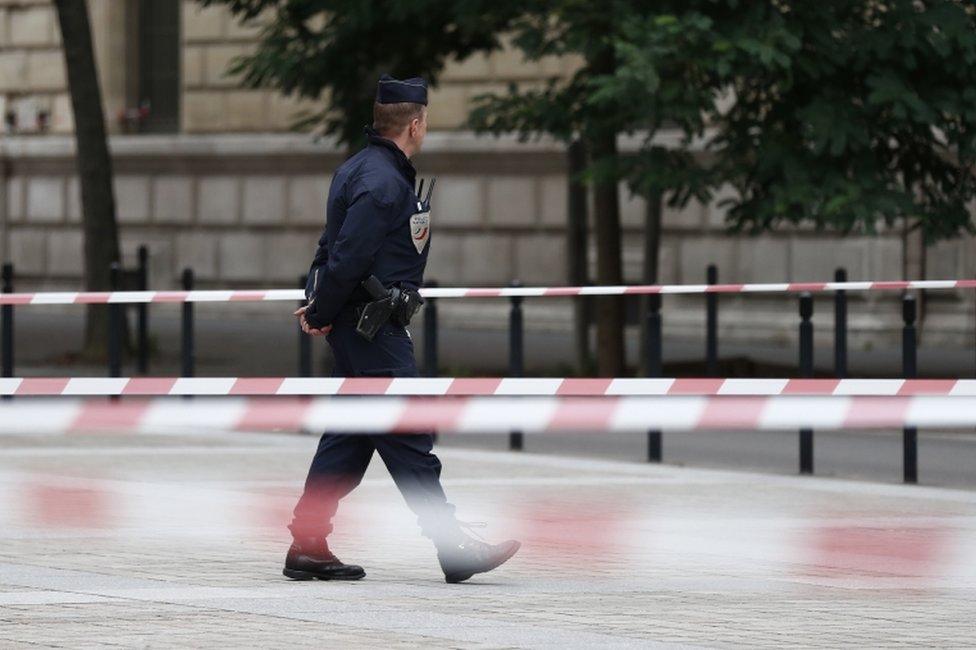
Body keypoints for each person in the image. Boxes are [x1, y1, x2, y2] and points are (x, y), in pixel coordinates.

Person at [286, 74, 520, 584]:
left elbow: (328, 247)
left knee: (349, 437)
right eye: (427, 121)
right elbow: (346, 256)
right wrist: (322, 308)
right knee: (410, 434)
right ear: (416, 123)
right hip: (374, 330)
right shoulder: (383, 181)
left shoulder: (360, 169)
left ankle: (308, 542)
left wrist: (319, 302)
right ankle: (451, 543)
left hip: (361, 327)